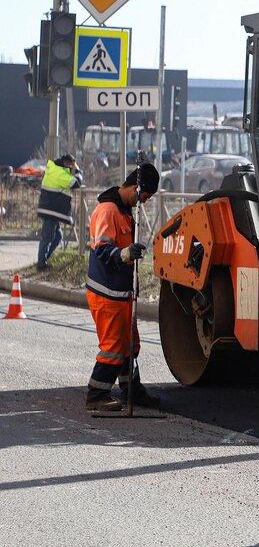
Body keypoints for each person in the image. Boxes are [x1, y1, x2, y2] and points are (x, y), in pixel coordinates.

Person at [84, 163, 161, 412]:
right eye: (145, 196)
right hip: (107, 293)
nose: (144, 202)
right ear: (136, 188)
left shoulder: (124, 211)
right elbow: (103, 250)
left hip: (121, 293)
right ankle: (97, 395)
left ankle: (131, 391)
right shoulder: (108, 211)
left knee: (130, 345)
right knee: (114, 347)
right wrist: (126, 253)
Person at [35, 154, 84, 270]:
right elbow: (76, 183)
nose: (72, 167)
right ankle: (41, 264)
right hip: (51, 210)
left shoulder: (54, 169)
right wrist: (78, 170)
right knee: (47, 237)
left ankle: (44, 259)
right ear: (66, 163)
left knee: (58, 236)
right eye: (71, 165)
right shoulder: (60, 174)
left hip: (50, 209)